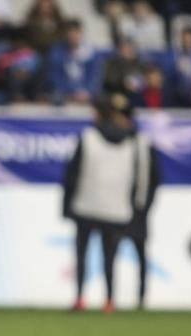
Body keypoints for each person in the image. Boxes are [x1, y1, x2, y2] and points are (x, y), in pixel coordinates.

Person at [63, 93, 161, 312]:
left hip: (87, 203)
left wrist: (67, 205)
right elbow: (145, 177)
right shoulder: (136, 141)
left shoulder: (89, 137)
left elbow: (72, 174)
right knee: (111, 256)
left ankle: (81, 297)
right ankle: (110, 300)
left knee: (84, 253)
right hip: (119, 206)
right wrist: (139, 204)